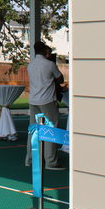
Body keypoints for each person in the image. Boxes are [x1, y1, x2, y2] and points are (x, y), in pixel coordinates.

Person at [25, 41, 66, 170]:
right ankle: (51, 162)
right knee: (51, 129)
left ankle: (30, 159)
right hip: (47, 100)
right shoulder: (49, 64)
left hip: (33, 100)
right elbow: (60, 79)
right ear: (44, 51)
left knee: (33, 130)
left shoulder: (30, 65)